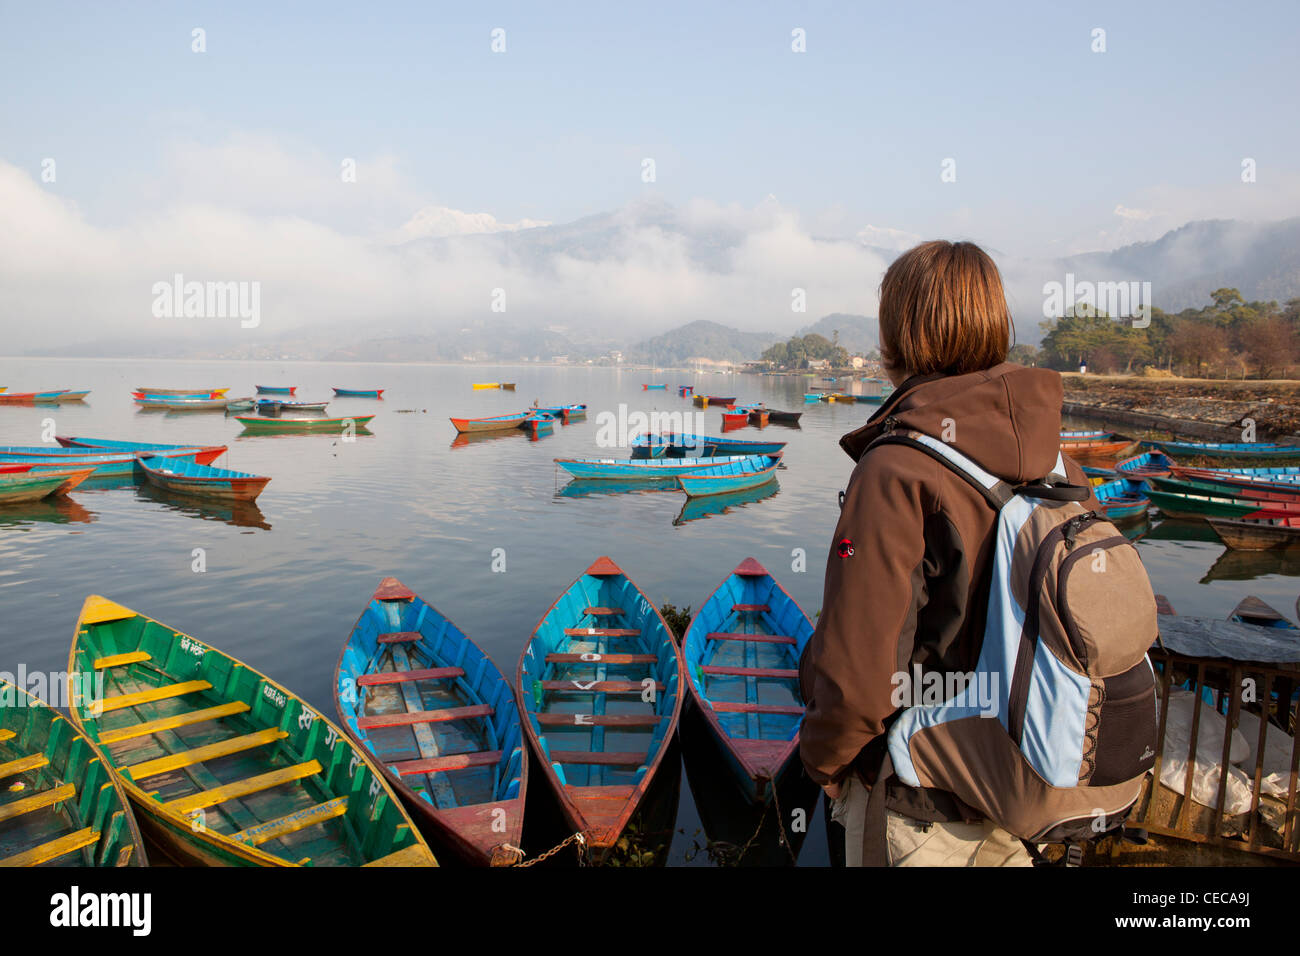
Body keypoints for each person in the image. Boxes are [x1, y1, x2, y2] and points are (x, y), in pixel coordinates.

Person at [798, 239, 1099, 867]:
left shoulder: (898, 469)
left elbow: (858, 675)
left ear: (896, 335)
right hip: (1025, 783)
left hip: (920, 801)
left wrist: (825, 761)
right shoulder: (1056, 462)